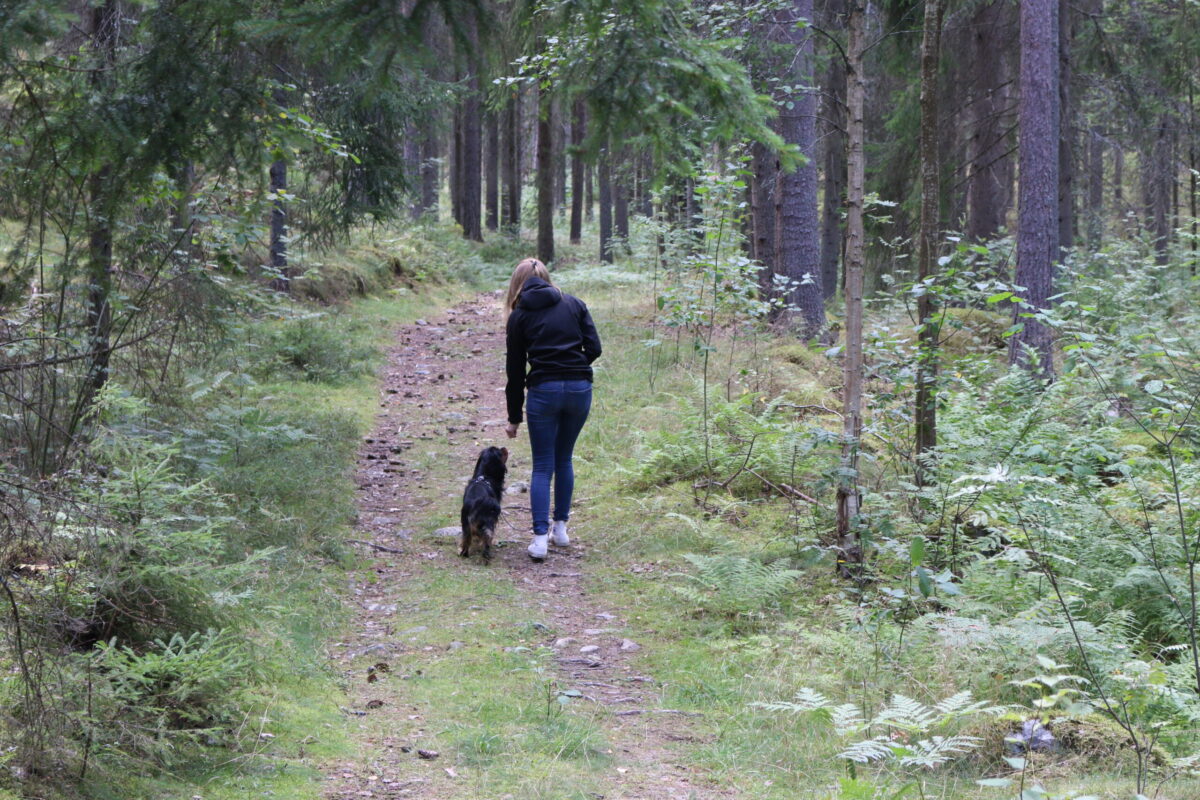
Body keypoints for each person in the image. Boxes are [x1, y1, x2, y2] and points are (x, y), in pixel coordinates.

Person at [504, 258, 602, 562]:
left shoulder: (519, 316)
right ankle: (560, 530)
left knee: (543, 465)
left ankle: (539, 540)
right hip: (579, 390)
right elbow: (594, 348)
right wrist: (573, 367)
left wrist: (513, 418)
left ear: (517, 284)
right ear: (547, 278)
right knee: (564, 458)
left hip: (543, 392)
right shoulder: (574, 304)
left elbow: (516, 371)